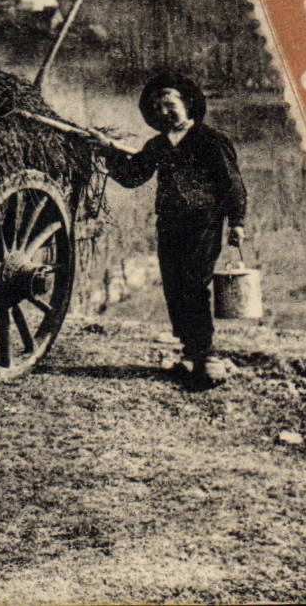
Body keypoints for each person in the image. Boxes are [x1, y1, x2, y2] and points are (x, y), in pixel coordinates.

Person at [89, 75, 247, 388]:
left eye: (170, 104)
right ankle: (189, 353)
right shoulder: (158, 145)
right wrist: (108, 151)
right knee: (174, 287)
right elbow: (134, 175)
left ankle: (206, 355)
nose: (164, 112)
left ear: (187, 104)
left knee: (194, 284)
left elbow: (233, 185)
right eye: (157, 106)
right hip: (169, 225)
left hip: (204, 223)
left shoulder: (210, 140)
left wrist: (237, 223)